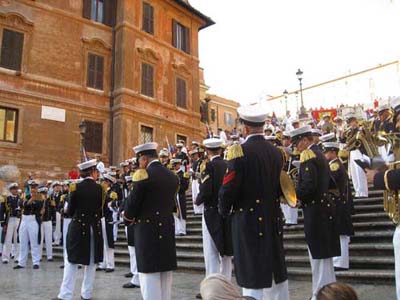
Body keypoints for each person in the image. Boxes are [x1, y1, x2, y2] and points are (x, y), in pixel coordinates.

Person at [219, 104, 289, 300]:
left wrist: (224, 210)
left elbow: (228, 187)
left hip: (247, 219)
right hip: (272, 218)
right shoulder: (276, 152)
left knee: (251, 273)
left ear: (245, 128)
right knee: (275, 271)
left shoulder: (239, 151)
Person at [123, 142, 179, 300]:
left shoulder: (143, 175)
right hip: (167, 229)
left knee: (149, 279)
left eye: (139, 161)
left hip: (147, 232)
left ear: (144, 159)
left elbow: (132, 205)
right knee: (165, 278)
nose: (139, 165)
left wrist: (127, 218)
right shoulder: (172, 176)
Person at [291, 125, 340, 300]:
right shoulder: (319, 153)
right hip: (323, 208)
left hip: (316, 210)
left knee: (318, 256)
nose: (295, 147)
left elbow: (308, 185)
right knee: (324, 256)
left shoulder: (308, 155)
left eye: (297, 143)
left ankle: (319, 293)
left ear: (305, 140)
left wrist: (294, 197)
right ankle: (330, 291)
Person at [56, 159, 104, 300]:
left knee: (71, 261)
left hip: (78, 227)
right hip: (94, 228)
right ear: (93, 172)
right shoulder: (101, 189)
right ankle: (86, 294)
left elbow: (70, 211)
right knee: (91, 263)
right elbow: (100, 210)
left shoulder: (75, 187)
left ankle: (66, 294)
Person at [196, 138, 233, 299]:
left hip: (211, 212)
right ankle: (226, 285)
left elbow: (206, 190)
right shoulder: (228, 165)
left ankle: (211, 289)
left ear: (207, 151)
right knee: (226, 251)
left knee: (210, 251)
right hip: (227, 212)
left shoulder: (208, 166)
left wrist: (198, 200)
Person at [323, 142, 354, 270]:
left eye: (327, 152)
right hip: (339, 204)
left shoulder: (335, 166)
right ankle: (339, 261)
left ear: (333, 152)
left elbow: (329, 183)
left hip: (339, 204)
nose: (325, 155)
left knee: (341, 234)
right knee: (339, 233)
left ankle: (341, 262)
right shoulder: (333, 165)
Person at [14, 180, 42, 270]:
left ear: (37, 188)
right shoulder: (24, 195)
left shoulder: (40, 196)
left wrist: (30, 201)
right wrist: (31, 200)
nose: (33, 189)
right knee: (23, 242)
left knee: (34, 242)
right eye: (31, 187)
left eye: (34, 187)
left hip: (33, 219)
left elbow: (38, 207)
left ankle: (36, 262)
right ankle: (21, 262)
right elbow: (22, 205)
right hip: (24, 219)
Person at [122, 175, 140, 289]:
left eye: (131, 184)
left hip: (134, 224)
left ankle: (136, 277)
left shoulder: (135, 194)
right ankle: (134, 274)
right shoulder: (130, 194)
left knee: (135, 252)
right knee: (132, 251)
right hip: (131, 225)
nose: (129, 186)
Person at [97, 173, 116, 273]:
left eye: (104, 181)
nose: (102, 183)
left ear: (108, 182)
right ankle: (103, 263)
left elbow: (113, 206)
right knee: (102, 241)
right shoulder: (102, 192)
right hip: (101, 218)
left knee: (109, 242)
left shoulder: (112, 193)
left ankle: (110, 264)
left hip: (108, 218)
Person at [0, 183, 22, 264]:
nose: (15, 190)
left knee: (17, 239)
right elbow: (2, 210)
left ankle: (17, 257)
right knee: (8, 239)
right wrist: (2, 222)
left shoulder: (20, 199)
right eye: (14, 189)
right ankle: (5, 257)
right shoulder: (6, 199)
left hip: (18, 220)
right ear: (10, 190)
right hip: (9, 220)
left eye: (16, 188)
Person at [172, 159, 189, 236]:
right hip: (174, 196)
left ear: (179, 164)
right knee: (175, 212)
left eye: (176, 164)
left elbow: (185, 186)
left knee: (181, 213)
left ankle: (182, 229)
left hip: (180, 195)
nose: (175, 166)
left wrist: (178, 188)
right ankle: (176, 229)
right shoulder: (172, 175)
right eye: (174, 165)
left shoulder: (183, 174)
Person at [39, 185, 55, 261]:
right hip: (40, 221)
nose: (44, 194)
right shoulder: (38, 199)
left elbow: (53, 208)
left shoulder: (50, 198)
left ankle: (50, 256)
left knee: (49, 239)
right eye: (43, 192)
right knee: (40, 239)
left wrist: (53, 219)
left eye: (45, 192)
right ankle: (39, 256)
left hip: (48, 220)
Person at [190, 148, 203, 215]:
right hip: (194, 179)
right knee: (194, 194)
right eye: (192, 155)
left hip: (199, 180)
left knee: (198, 193)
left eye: (194, 155)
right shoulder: (194, 163)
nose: (193, 156)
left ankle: (200, 209)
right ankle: (196, 210)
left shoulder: (201, 162)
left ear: (197, 154)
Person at [52, 181, 63, 246]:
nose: (57, 187)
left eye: (58, 186)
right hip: (52, 212)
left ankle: (57, 240)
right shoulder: (51, 195)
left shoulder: (62, 194)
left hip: (58, 212)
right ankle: (54, 239)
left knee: (58, 226)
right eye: (56, 186)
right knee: (54, 226)